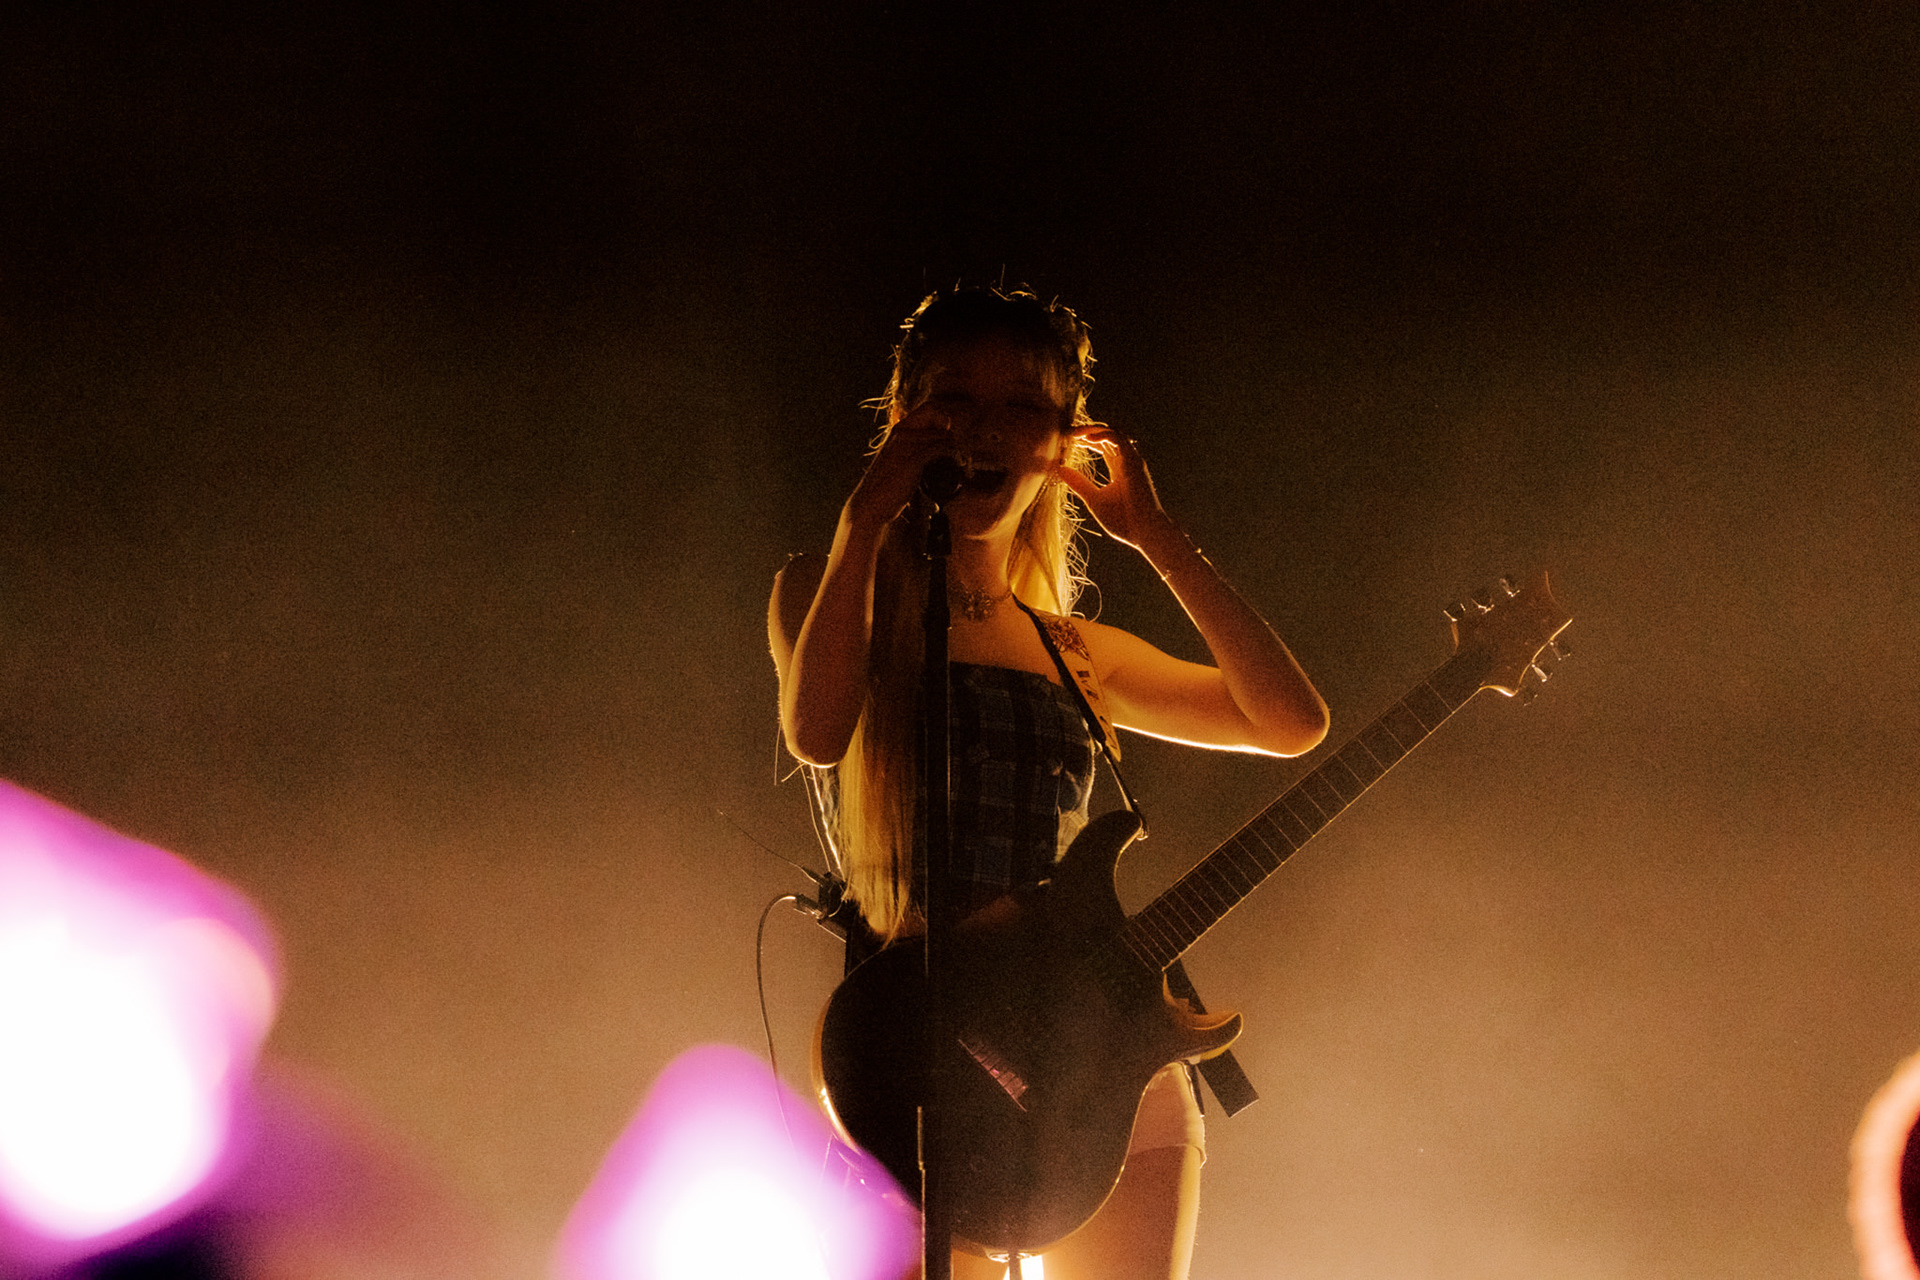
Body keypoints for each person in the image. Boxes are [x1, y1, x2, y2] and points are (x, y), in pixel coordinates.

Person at [768, 289, 1328, 1280]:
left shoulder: (1074, 650)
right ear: (904, 415)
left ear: (1065, 441)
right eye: (954, 398)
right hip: (910, 1058)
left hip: (1091, 1066)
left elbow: (1290, 722)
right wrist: (866, 517)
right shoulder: (833, 589)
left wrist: (1157, 536)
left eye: (1023, 406)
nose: (984, 430)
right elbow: (817, 733)